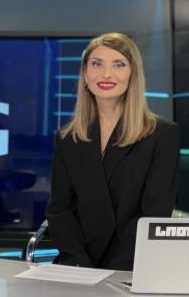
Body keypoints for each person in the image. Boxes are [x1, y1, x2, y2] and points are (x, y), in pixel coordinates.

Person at [45, 32, 179, 270]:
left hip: (132, 266)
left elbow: (154, 214)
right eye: (97, 64)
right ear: (85, 73)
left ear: (133, 73)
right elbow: (60, 211)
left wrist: (115, 272)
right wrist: (79, 265)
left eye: (119, 65)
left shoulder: (162, 135)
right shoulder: (67, 138)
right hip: (78, 266)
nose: (106, 74)